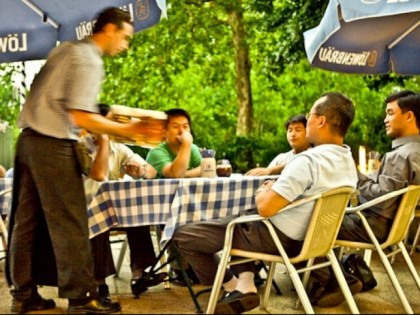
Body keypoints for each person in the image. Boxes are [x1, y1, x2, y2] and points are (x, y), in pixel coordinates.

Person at [6, 7, 160, 314]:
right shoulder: (89, 58)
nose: (126, 44)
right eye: (125, 37)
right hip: (53, 142)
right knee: (71, 221)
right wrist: (129, 129)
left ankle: (23, 294)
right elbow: (81, 116)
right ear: (110, 30)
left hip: (27, 141)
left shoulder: (65, 50)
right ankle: (81, 297)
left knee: (25, 222)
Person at [172, 91, 359, 314]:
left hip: (279, 238)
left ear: (321, 120)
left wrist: (264, 190)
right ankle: (245, 285)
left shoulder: (307, 161)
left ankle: (233, 287)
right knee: (241, 218)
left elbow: (265, 208)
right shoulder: (347, 160)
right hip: (313, 239)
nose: (307, 120)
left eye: (310, 115)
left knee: (184, 235)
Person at [83, 104, 166, 299]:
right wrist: (103, 141)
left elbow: (151, 171)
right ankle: (98, 281)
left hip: (114, 209)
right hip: (87, 209)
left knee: (137, 211)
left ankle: (140, 273)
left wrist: (142, 171)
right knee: (98, 215)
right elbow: (99, 174)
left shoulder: (118, 148)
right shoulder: (80, 146)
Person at [146, 108, 202, 286]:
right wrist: (186, 146)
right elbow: (175, 173)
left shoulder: (192, 149)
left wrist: (182, 172)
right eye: (176, 127)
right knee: (181, 221)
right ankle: (179, 269)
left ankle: (201, 265)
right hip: (163, 210)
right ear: (164, 132)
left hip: (192, 205)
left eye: (186, 127)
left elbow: (205, 171)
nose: (182, 131)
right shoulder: (156, 153)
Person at [246, 114, 311, 176]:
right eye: (290, 130)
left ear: (308, 132)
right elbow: (265, 176)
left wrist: (272, 170)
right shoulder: (281, 158)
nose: (293, 134)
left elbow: (301, 163)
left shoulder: (315, 155)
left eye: (298, 130)